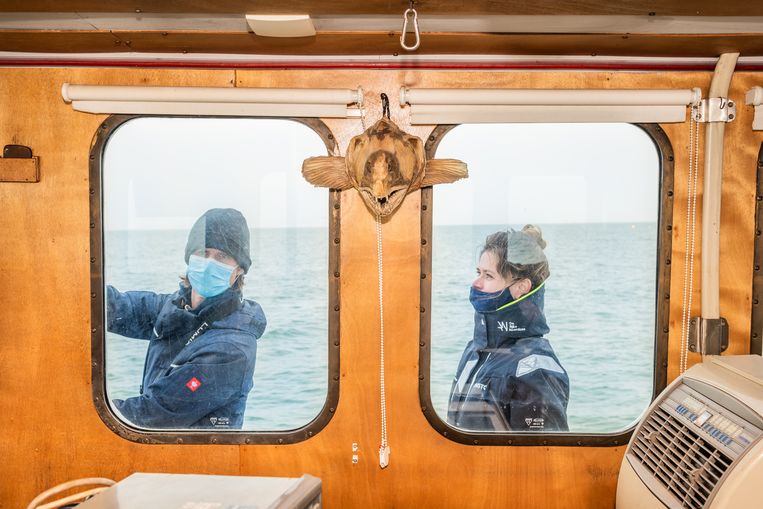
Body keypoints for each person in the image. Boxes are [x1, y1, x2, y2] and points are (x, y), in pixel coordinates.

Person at [106, 208, 266, 429]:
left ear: (238, 270)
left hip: (197, 460)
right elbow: (116, 307)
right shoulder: (174, 307)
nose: (209, 262)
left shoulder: (232, 349)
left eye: (221, 256)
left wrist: (81, 412)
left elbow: (154, 414)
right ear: (190, 258)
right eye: (203, 252)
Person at [447, 225, 569, 432]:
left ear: (521, 287)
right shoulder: (475, 350)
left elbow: (544, 458)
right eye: (478, 272)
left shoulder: (534, 368)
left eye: (488, 275)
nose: (475, 283)